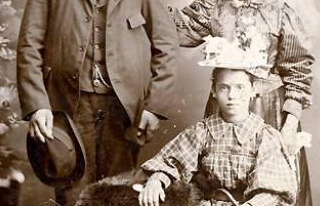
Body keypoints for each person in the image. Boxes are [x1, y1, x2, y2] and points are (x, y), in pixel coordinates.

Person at [132, 0, 314, 205]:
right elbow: (175, 29)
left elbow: (299, 71)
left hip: (269, 109)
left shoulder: (281, 13)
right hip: (224, 104)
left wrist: (290, 125)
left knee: (272, 188)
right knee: (218, 184)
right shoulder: (214, 9)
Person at [16, 0, 179, 206]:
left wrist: (154, 107)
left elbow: (167, 46)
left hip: (125, 111)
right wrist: (37, 106)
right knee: (73, 193)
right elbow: (29, 46)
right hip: (67, 109)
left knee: (118, 193)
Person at [75, 39, 299, 206]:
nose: (232, 96)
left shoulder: (265, 136)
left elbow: (271, 192)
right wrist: (157, 181)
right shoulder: (202, 132)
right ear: (213, 91)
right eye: (224, 88)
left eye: (240, 88)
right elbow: (173, 163)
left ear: (253, 91)